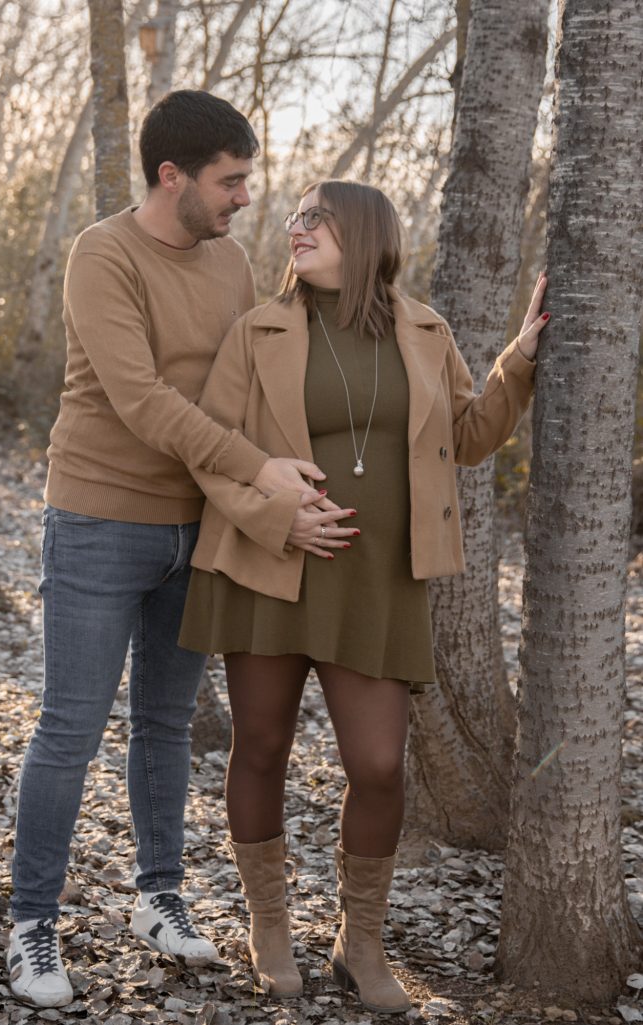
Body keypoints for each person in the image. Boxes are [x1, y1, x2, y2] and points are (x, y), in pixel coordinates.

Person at [178, 180, 549, 1013]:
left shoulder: (424, 331)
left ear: (365, 233)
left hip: (380, 580)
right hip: (267, 568)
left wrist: (519, 359)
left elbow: (468, 436)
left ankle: (361, 941)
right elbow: (212, 448)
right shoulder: (259, 330)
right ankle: (269, 927)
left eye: (316, 217)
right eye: (295, 216)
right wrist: (277, 518)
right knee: (260, 746)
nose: (296, 227)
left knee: (378, 766)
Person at [7, 90, 338, 1010]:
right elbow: (143, 399)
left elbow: (251, 382)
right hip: (99, 519)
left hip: (199, 526)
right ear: (171, 176)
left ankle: (158, 896)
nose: (244, 198)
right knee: (70, 727)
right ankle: (30, 921)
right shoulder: (102, 254)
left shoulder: (230, 261)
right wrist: (259, 470)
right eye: (230, 181)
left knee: (166, 721)